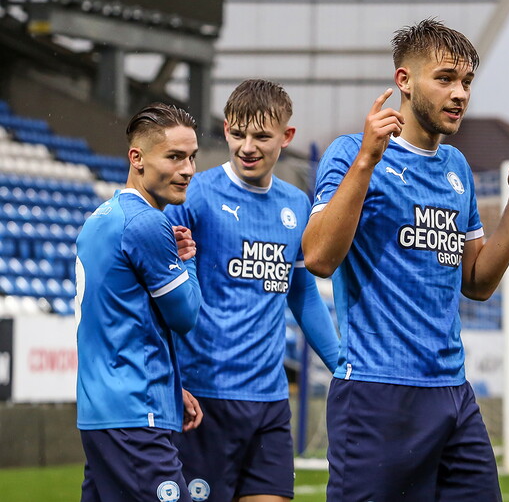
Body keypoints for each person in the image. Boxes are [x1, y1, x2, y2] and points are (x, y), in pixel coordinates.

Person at [301, 18, 509, 501]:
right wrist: (368, 161)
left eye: (467, 81)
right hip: (376, 393)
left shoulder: (457, 169)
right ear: (404, 82)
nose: (460, 93)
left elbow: (476, 281)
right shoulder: (350, 152)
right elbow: (318, 258)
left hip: (453, 394)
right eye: (446, 78)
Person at [165, 79, 340, 502]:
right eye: (238, 134)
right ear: (226, 129)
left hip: (270, 402)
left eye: (262, 136)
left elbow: (301, 292)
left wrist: (342, 363)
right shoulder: (194, 196)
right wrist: (170, 379)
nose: (247, 146)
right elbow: (163, 296)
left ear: (287, 137)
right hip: (204, 398)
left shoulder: (298, 204)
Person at [76, 103, 203, 502]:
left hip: (102, 411)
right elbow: (186, 316)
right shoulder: (146, 222)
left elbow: (118, 318)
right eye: (175, 157)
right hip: (135, 412)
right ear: (137, 158)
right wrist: (190, 261)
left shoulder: (100, 217)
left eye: (192, 157)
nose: (187, 169)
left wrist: (171, 388)